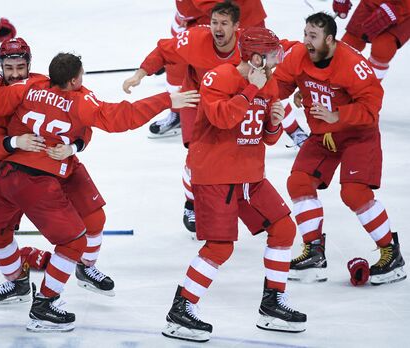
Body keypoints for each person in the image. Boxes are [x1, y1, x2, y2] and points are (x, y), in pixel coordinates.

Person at [0, 52, 199, 332]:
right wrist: (167, 100)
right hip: (38, 180)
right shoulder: (78, 100)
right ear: (75, 79)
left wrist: (66, 146)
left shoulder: (28, 86)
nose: (15, 72)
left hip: (7, 176)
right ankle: (45, 305)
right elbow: (122, 116)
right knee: (74, 242)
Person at [161, 27, 307, 343]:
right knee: (220, 247)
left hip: (250, 175)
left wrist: (275, 123)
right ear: (256, 57)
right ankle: (181, 309)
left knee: (283, 228)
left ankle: (272, 305)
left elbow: (265, 139)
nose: (276, 60)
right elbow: (222, 119)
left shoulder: (268, 84)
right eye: (271, 55)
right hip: (215, 175)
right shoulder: (218, 78)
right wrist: (249, 92)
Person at [0, 38, 117, 302]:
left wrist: (74, 146)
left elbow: (83, 123)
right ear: (1, 67)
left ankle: (86, 268)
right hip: (17, 175)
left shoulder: (43, 84)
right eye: (9, 68)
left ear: (29, 64)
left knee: (96, 220)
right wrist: (13, 143)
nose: (15, 73)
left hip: (62, 165)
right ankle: (17, 283)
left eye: (21, 66)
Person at [274, 12, 406, 285]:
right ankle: (313, 252)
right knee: (298, 182)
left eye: (313, 36)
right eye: (305, 34)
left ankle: (391, 254)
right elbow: (281, 85)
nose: (307, 41)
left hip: (358, 136)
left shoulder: (353, 65)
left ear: (330, 40)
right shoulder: (298, 55)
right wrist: (257, 91)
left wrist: (338, 115)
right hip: (323, 136)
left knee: (354, 193)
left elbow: (371, 109)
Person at [124, 1, 242, 236]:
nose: (217, 28)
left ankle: (230, 200)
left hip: (228, 104)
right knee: (196, 156)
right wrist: (140, 74)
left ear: (236, 27)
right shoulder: (195, 39)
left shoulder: (247, 47)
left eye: (224, 24)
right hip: (194, 100)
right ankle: (191, 205)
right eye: (214, 23)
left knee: (229, 157)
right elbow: (163, 51)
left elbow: (275, 63)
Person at [149, 0, 269, 138]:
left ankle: (289, 128)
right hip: (218, 19)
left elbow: (218, 10)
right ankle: (178, 113)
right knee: (179, 66)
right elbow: (184, 12)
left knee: (257, 77)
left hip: (242, 20)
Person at [333, 0, 410, 80]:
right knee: (351, 41)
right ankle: (330, 77)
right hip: (373, 2)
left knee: (383, 46)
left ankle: (369, 86)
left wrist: (398, 10)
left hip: (405, 7)